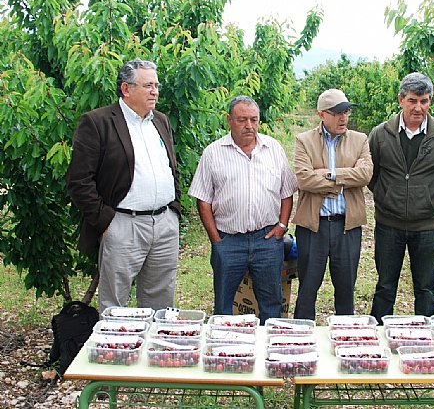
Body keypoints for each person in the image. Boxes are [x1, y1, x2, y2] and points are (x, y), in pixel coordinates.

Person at [67, 58, 182, 315]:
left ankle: (155, 352)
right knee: (115, 304)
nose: (155, 91)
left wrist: (174, 209)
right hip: (123, 224)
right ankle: (116, 352)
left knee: (161, 303)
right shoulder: (98, 122)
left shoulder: (160, 121)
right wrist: (106, 221)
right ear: (126, 89)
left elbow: (172, 168)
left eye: (156, 85)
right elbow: (79, 180)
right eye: (147, 85)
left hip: (164, 223)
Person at [188, 95, 297, 324]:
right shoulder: (213, 153)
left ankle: (269, 350)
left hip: (266, 240)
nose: (249, 126)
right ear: (229, 120)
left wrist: (282, 226)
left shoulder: (273, 149)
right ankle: (226, 351)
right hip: (229, 241)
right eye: (242, 120)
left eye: (254, 120)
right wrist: (216, 239)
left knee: (271, 303)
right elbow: (203, 200)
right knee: (224, 304)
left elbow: (287, 192)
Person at [368, 72, 434, 323]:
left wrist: (429, 201)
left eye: (424, 101)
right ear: (401, 100)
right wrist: (388, 196)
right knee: (385, 287)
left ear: (430, 101)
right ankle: (377, 340)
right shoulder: (381, 134)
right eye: (412, 100)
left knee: (425, 288)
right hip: (389, 225)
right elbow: (371, 175)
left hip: (426, 227)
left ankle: (425, 342)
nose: (418, 107)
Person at [292, 89, 373, 320]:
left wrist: (330, 175)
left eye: (346, 111)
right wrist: (347, 178)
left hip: (347, 227)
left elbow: (365, 175)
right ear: (321, 114)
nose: (343, 117)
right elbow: (304, 179)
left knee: (346, 291)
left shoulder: (360, 140)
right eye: (337, 112)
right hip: (313, 228)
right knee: (307, 290)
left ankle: (346, 342)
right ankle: (301, 339)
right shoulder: (304, 141)